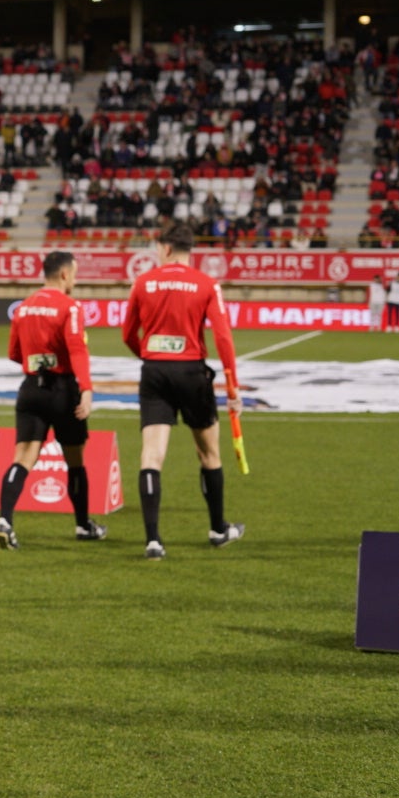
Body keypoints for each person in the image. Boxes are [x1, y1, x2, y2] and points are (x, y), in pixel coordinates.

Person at [121, 221, 243, 559]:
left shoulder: (143, 282)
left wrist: (149, 356)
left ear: (166, 248)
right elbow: (223, 337)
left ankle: (153, 540)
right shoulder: (206, 284)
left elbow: (128, 333)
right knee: (209, 455)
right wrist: (232, 385)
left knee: (151, 456)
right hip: (192, 374)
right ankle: (218, 529)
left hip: (155, 372)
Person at [0, 251, 101, 550]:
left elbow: (14, 353)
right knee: (75, 461)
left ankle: (5, 520)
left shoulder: (24, 308)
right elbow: (77, 349)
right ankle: (82, 524)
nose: (75, 280)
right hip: (63, 390)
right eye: (75, 274)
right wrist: (87, 389)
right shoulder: (70, 307)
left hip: (30, 389)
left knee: (23, 457)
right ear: (65, 274)